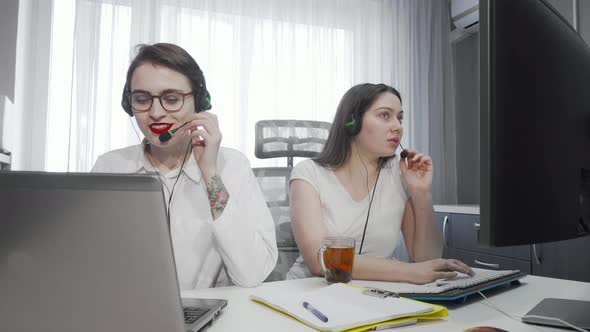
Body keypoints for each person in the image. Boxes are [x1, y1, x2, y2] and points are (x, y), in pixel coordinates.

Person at [92, 43, 278, 289]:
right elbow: (90, 262)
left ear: (199, 102)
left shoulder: (232, 165)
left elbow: (252, 274)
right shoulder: (110, 167)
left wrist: (210, 172)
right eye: (141, 99)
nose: (155, 112)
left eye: (171, 99)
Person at [286, 83, 474, 284]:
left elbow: (427, 259)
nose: (398, 126)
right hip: (310, 291)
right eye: (385, 115)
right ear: (352, 123)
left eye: (399, 118)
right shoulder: (309, 173)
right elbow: (320, 261)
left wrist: (421, 194)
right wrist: (409, 272)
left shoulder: (399, 175)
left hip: (374, 295)